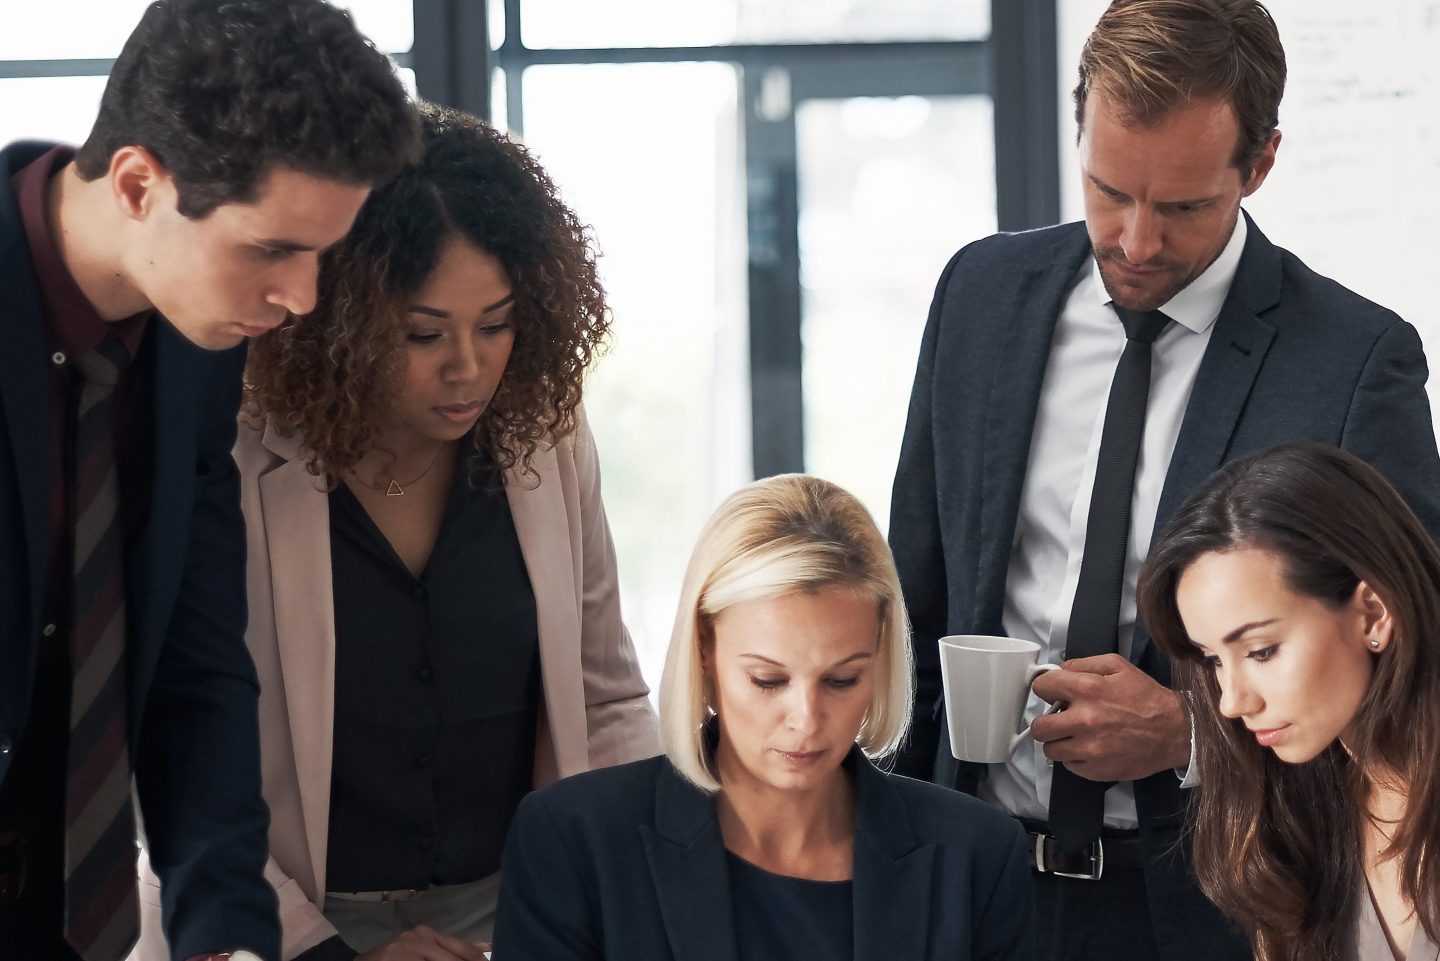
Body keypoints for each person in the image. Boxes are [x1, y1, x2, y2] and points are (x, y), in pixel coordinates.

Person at [887, 1, 1440, 959]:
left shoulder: (1354, 360)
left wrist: (1192, 731)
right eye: (1109, 190)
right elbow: (915, 579)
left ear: (1259, 164)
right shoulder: (979, 295)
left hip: (1213, 907)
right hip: (969, 888)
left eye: (1182, 206)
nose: (1137, 242)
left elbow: (1413, 659)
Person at [128, 103, 659, 961]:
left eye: (497, 323)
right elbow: (179, 758)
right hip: (280, 921)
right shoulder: (222, 445)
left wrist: (600, 906)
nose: (470, 365)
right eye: (423, 333)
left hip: (528, 910)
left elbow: (606, 701)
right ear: (331, 318)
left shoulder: (545, 432)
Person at [0, 2, 418, 960]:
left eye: (322, 251)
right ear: (140, 182)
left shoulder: (196, 341)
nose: (302, 298)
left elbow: (197, 656)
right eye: (272, 249)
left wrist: (225, 933)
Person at [493, 473, 1035, 961]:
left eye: (841, 679)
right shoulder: (573, 841)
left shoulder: (977, 856)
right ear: (703, 650)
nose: (806, 719)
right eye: (767, 680)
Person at [1136, 442, 1440, 961]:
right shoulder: (1296, 820)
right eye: (1212, 660)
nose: (1231, 702)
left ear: (1373, 613)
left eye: (1261, 651)